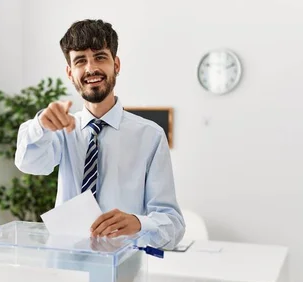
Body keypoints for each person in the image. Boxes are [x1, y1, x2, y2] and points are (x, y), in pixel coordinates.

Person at [15, 19, 185, 249]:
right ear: (69, 72)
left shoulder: (150, 136)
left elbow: (173, 225)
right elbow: (29, 163)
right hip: (67, 265)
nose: (90, 68)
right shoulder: (60, 131)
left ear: (116, 64)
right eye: (80, 60)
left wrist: (138, 222)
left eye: (100, 57)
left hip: (124, 269)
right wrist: (40, 125)